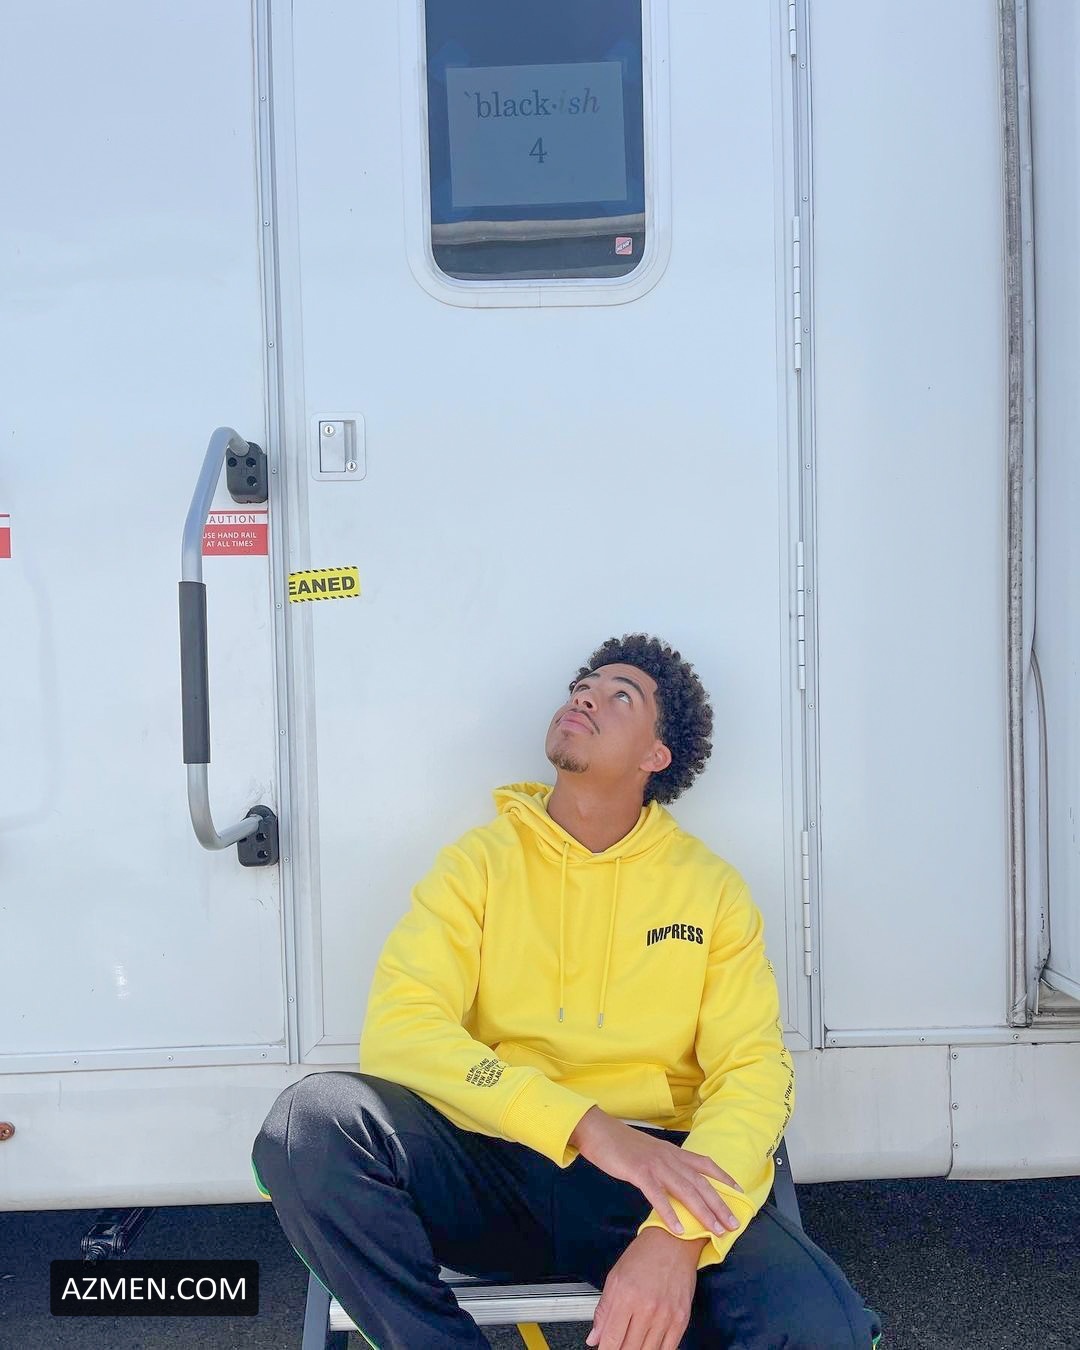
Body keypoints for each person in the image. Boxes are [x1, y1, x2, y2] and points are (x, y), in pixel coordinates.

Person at [252, 634, 881, 1349]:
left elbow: (754, 1075)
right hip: (492, 1163)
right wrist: (588, 1127)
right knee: (310, 1123)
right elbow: (402, 1032)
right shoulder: (478, 864)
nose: (584, 697)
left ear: (656, 756)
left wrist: (676, 1235)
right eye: (583, 686)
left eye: (620, 696)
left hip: (651, 1183)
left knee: (825, 1329)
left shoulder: (711, 889)